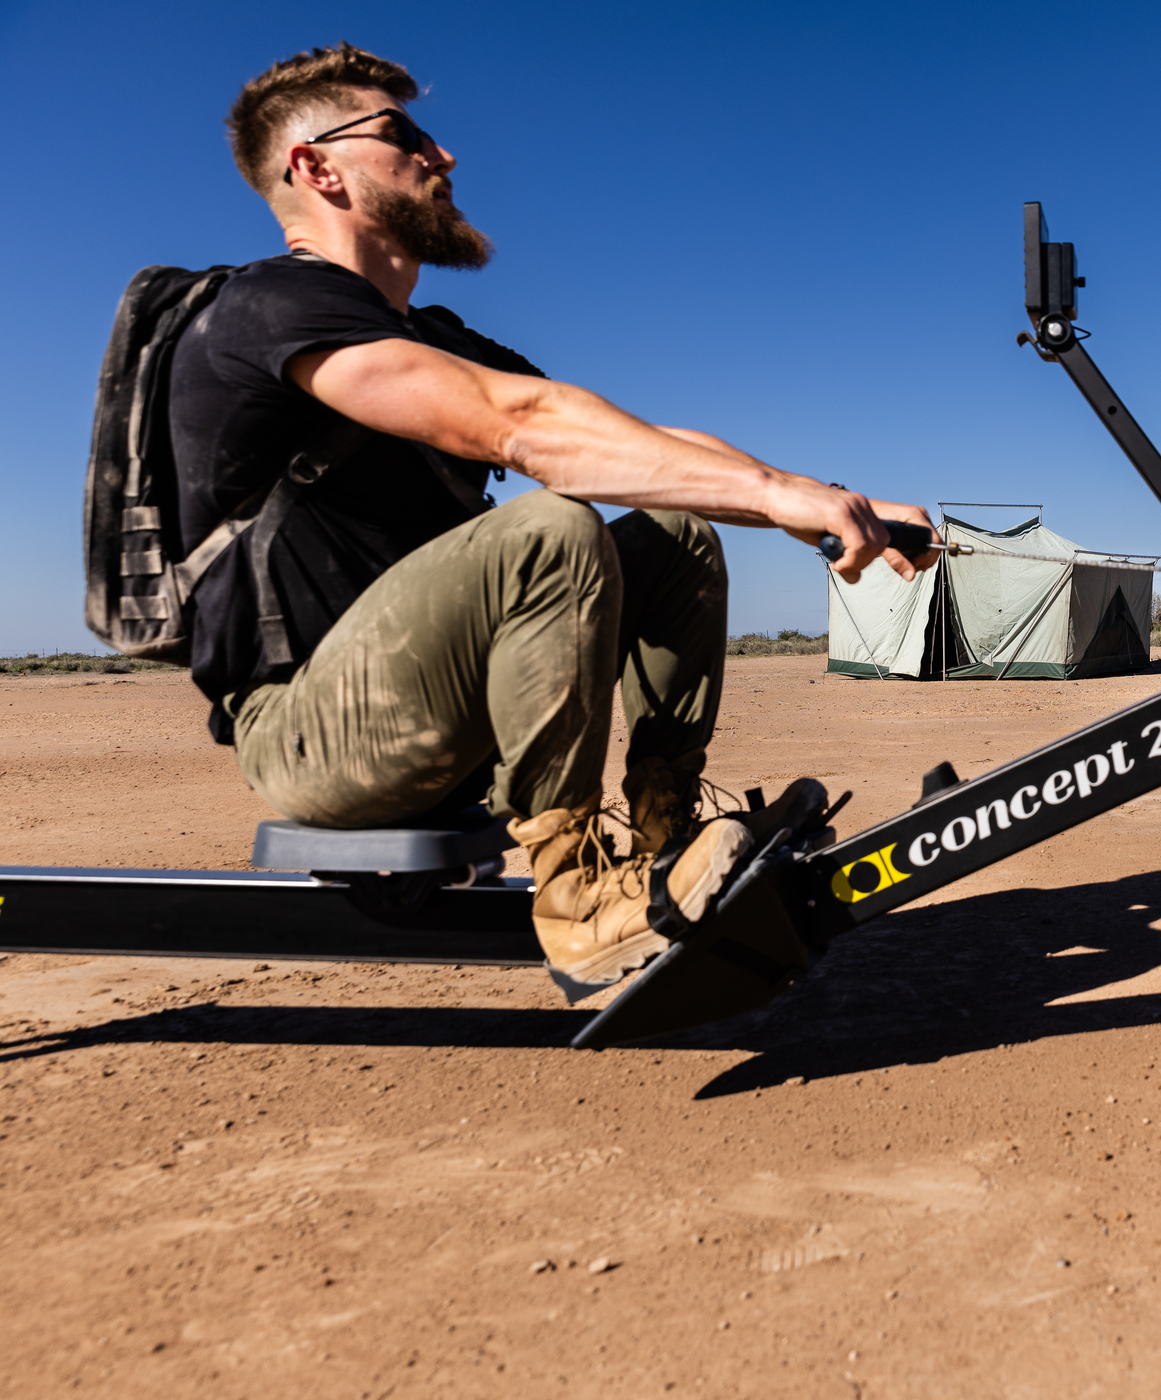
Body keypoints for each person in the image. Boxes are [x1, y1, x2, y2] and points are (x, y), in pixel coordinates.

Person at [169, 43, 938, 984]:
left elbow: (631, 438)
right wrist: (780, 497)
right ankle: (578, 897)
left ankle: (666, 831)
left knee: (675, 532)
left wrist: (817, 496)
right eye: (405, 135)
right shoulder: (267, 306)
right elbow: (523, 428)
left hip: (434, 714)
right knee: (550, 531)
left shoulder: (430, 338)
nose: (442, 158)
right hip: (309, 736)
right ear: (316, 167)